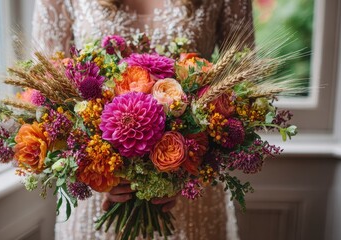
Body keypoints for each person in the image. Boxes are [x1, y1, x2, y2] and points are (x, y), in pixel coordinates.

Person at [32, 0, 255, 239]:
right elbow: (44, 91)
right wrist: (97, 175)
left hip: (190, 199)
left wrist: (185, 174)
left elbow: (244, 90)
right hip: (97, 197)